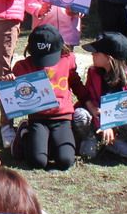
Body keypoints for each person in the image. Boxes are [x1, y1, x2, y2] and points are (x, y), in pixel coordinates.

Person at [7, 25, 78, 172]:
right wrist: (9, 85)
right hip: (38, 118)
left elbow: (76, 83)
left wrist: (89, 101)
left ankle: (50, 143)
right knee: (37, 162)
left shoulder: (68, 60)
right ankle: (25, 134)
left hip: (62, 118)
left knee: (65, 161)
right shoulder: (22, 66)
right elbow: (14, 98)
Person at [73, 32, 127, 161]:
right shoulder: (93, 73)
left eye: (96, 52)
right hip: (97, 119)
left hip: (120, 122)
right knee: (79, 114)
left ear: (109, 58)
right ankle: (91, 137)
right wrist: (104, 124)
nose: (92, 54)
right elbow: (91, 101)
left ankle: (115, 141)